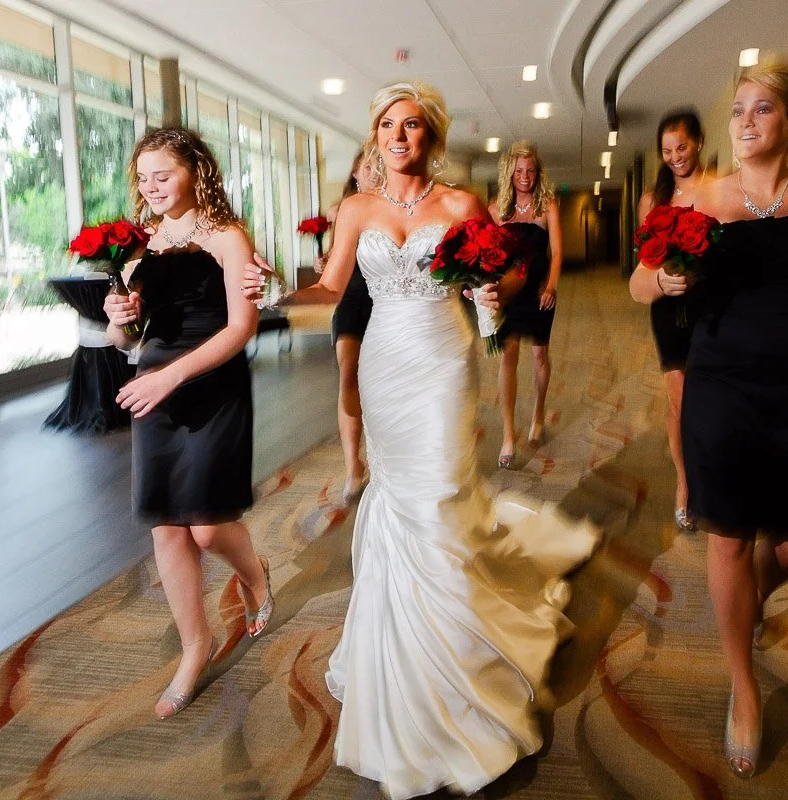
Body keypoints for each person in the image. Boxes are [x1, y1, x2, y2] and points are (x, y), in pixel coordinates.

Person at [243, 81, 597, 799]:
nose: (399, 136)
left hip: (441, 357)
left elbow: (491, 277)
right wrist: (272, 287)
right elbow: (332, 285)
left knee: (438, 494)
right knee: (401, 496)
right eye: (386, 125)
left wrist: (490, 295)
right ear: (374, 137)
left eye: (411, 126)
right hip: (385, 361)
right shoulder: (356, 209)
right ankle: (407, 656)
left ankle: (463, 664)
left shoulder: (462, 205)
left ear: (429, 137)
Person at [628, 63, 788, 777]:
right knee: (729, 543)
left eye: (762, 109)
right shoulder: (701, 199)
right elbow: (637, 281)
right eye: (737, 109)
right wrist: (664, 279)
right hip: (722, 388)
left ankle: (741, 606)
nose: (744, 122)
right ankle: (743, 686)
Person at [103, 127, 274, 720]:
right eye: (143, 177)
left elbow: (240, 328)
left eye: (163, 175)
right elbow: (124, 339)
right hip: (152, 389)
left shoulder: (228, 236)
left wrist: (171, 376)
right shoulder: (136, 244)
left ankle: (255, 572)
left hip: (212, 382)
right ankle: (194, 649)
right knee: (166, 530)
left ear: (194, 172)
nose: (151, 188)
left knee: (206, 528)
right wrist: (117, 317)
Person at [635, 110, 711, 529]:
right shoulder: (654, 198)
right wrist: (661, 277)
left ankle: (710, 472)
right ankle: (685, 481)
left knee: (708, 396)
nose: (675, 157)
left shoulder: (719, 188)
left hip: (708, 302)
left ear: (698, 141)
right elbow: (646, 256)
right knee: (679, 397)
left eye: (681, 147)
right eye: (667, 151)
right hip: (667, 304)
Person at [489, 140, 562, 469]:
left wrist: (551, 285)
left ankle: (537, 414)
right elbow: (486, 255)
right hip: (508, 294)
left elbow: (557, 252)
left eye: (530, 171)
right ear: (510, 172)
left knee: (539, 355)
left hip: (538, 293)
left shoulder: (547, 206)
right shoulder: (497, 210)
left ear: (538, 173)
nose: (525, 176)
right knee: (508, 356)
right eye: (519, 170)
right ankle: (508, 435)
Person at [316, 150, 377, 503]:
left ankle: (383, 454)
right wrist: (324, 262)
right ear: (354, 171)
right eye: (367, 165)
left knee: (382, 380)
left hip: (385, 302)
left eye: (377, 165)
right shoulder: (342, 210)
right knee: (348, 376)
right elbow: (336, 262)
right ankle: (354, 465)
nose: (372, 171)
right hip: (351, 299)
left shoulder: (394, 206)